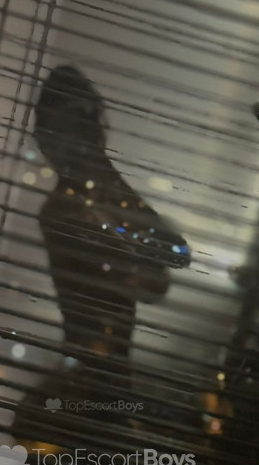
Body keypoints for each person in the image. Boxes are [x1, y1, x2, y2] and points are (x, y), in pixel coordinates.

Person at [33, 65, 190, 388]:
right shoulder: (66, 211)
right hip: (95, 377)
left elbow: (174, 256)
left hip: (100, 375)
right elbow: (161, 269)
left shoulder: (98, 199)